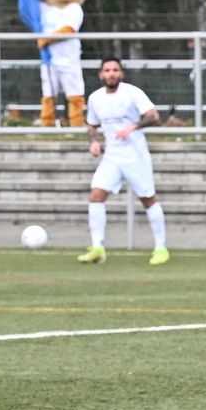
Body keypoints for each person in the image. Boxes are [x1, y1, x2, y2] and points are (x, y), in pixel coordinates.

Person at [78, 56, 170, 266]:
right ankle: (97, 248)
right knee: (96, 196)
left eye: (115, 70)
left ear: (121, 73)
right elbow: (92, 125)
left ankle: (161, 248)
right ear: (101, 75)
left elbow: (153, 116)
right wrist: (94, 142)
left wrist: (133, 127)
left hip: (135, 155)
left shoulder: (132, 93)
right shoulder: (95, 98)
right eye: (107, 70)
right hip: (111, 157)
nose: (111, 74)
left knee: (148, 199)